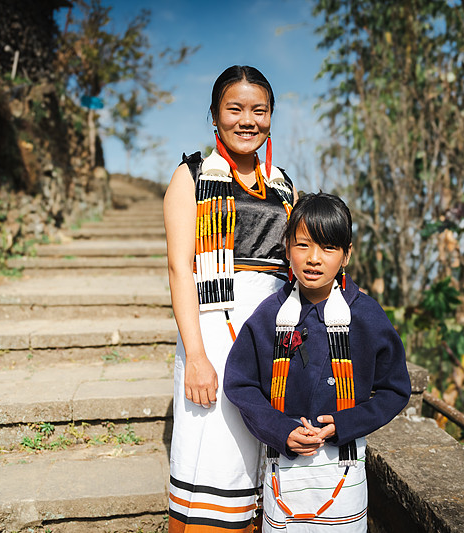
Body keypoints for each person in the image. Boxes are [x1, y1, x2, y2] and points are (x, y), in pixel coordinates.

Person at [224, 193, 411, 532]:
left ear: (347, 254)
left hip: (344, 471)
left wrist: (347, 423)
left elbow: (395, 389)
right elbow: (240, 383)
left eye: (328, 248)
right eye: (303, 245)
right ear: (286, 246)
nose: (313, 259)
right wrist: (281, 430)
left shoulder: (366, 316)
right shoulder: (269, 317)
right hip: (284, 472)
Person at [163, 65, 295, 533]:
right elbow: (182, 270)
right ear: (214, 117)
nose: (247, 120)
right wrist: (196, 356)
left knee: (263, 445)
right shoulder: (192, 176)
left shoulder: (282, 185)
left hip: (274, 335)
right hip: (213, 332)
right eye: (234, 109)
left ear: (271, 118)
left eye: (259, 110)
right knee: (215, 449)